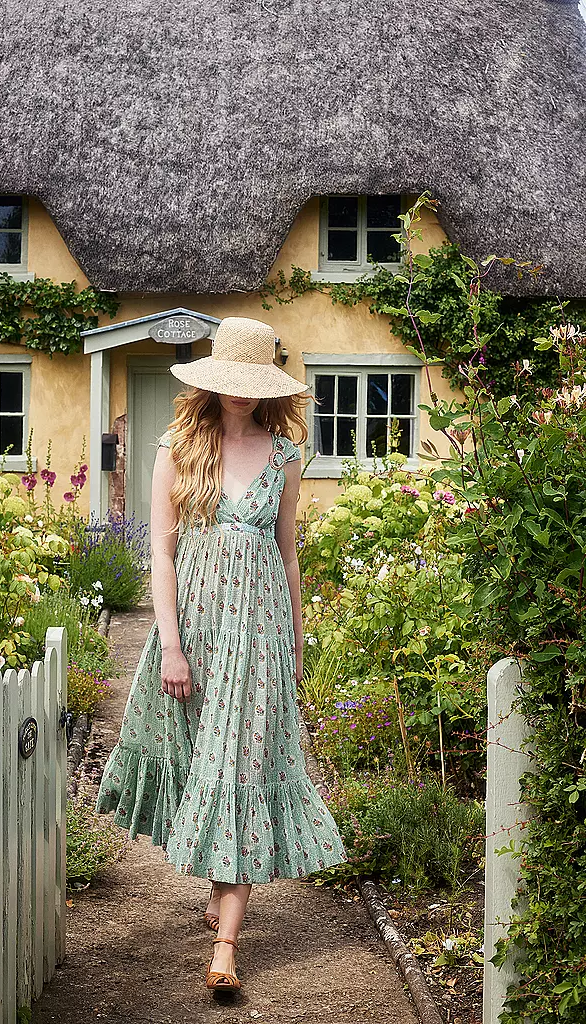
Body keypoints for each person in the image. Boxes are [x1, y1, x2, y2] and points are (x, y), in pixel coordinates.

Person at [94, 316, 347, 993]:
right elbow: (164, 555)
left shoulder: (287, 455)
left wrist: (296, 644)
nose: (240, 396)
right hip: (197, 636)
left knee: (241, 767)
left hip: (261, 639)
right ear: (212, 382)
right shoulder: (178, 446)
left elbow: (288, 556)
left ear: (268, 387)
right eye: (231, 384)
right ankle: (218, 893)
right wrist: (171, 645)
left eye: (251, 385)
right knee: (211, 763)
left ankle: (227, 949)